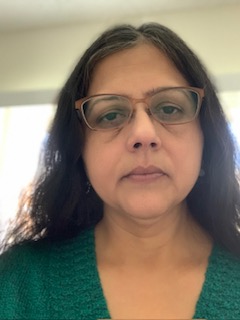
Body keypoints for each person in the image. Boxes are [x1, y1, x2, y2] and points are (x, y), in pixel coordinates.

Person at [0, 22, 240, 320]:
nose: (142, 133)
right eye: (110, 114)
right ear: (79, 150)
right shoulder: (17, 285)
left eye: (169, 109)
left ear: (207, 136)